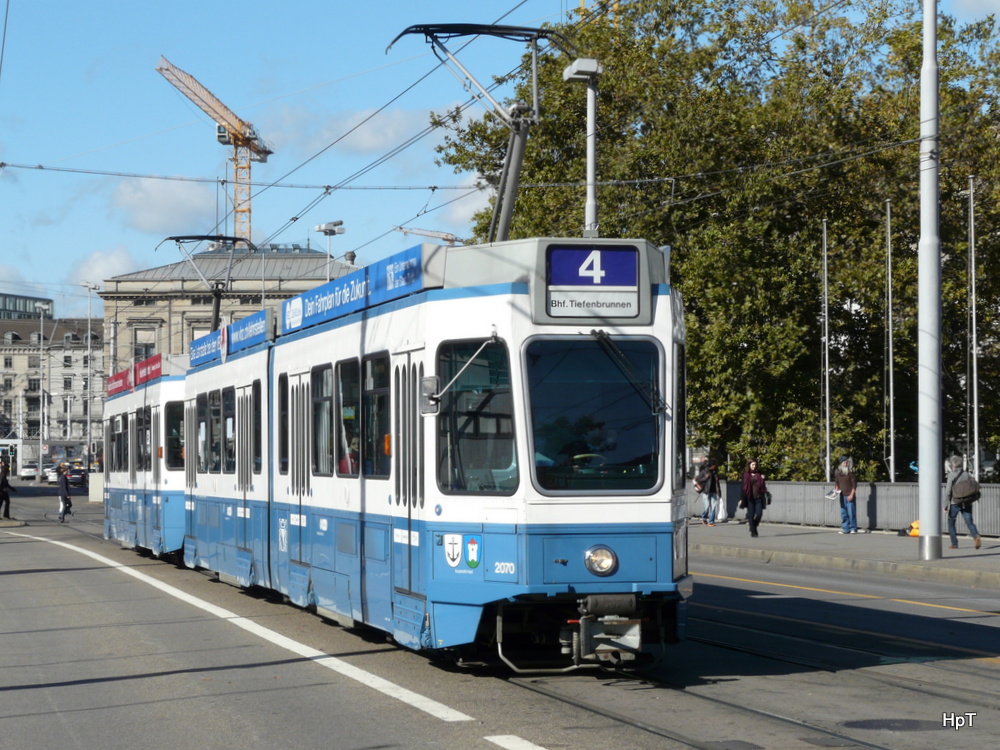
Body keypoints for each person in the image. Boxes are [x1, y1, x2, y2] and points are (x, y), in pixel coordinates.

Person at [943, 455, 982, 550]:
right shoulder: (966, 474)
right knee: (969, 522)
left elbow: (948, 491)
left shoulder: (951, 475)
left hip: (955, 502)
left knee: (951, 522)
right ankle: (976, 536)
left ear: (953, 466)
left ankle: (954, 544)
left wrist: (945, 505)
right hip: (967, 502)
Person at [740, 459, 768, 538]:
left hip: (758, 497)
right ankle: (753, 531)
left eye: (755, 465)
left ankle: (753, 526)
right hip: (749, 498)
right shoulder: (745, 475)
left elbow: (763, 485)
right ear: (749, 465)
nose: (754, 466)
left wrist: (764, 478)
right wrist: (741, 498)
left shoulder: (759, 474)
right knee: (751, 515)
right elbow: (743, 488)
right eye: (752, 465)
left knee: (759, 514)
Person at [834, 457, 858, 534]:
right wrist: (836, 491)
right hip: (842, 495)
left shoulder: (850, 473)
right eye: (844, 462)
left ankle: (853, 528)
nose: (846, 464)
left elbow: (854, 485)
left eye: (846, 462)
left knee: (851, 513)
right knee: (843, 513)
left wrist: (851, 495)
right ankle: (845, 529)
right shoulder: (838, 473)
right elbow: (837, 483)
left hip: (849, 495)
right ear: (841, 464)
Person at [697, 460, 721, 525]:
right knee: (706, 506)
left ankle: (711, 521)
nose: (715, 467)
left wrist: (719, 492)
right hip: (706, 491)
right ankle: (704, 518)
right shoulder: (704, 471)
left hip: (714, 491)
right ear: (711, 465)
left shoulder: (715, 472)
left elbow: (717, 483)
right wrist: (705, 477)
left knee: (713, 506)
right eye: (714, 465)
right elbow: (698, 479)